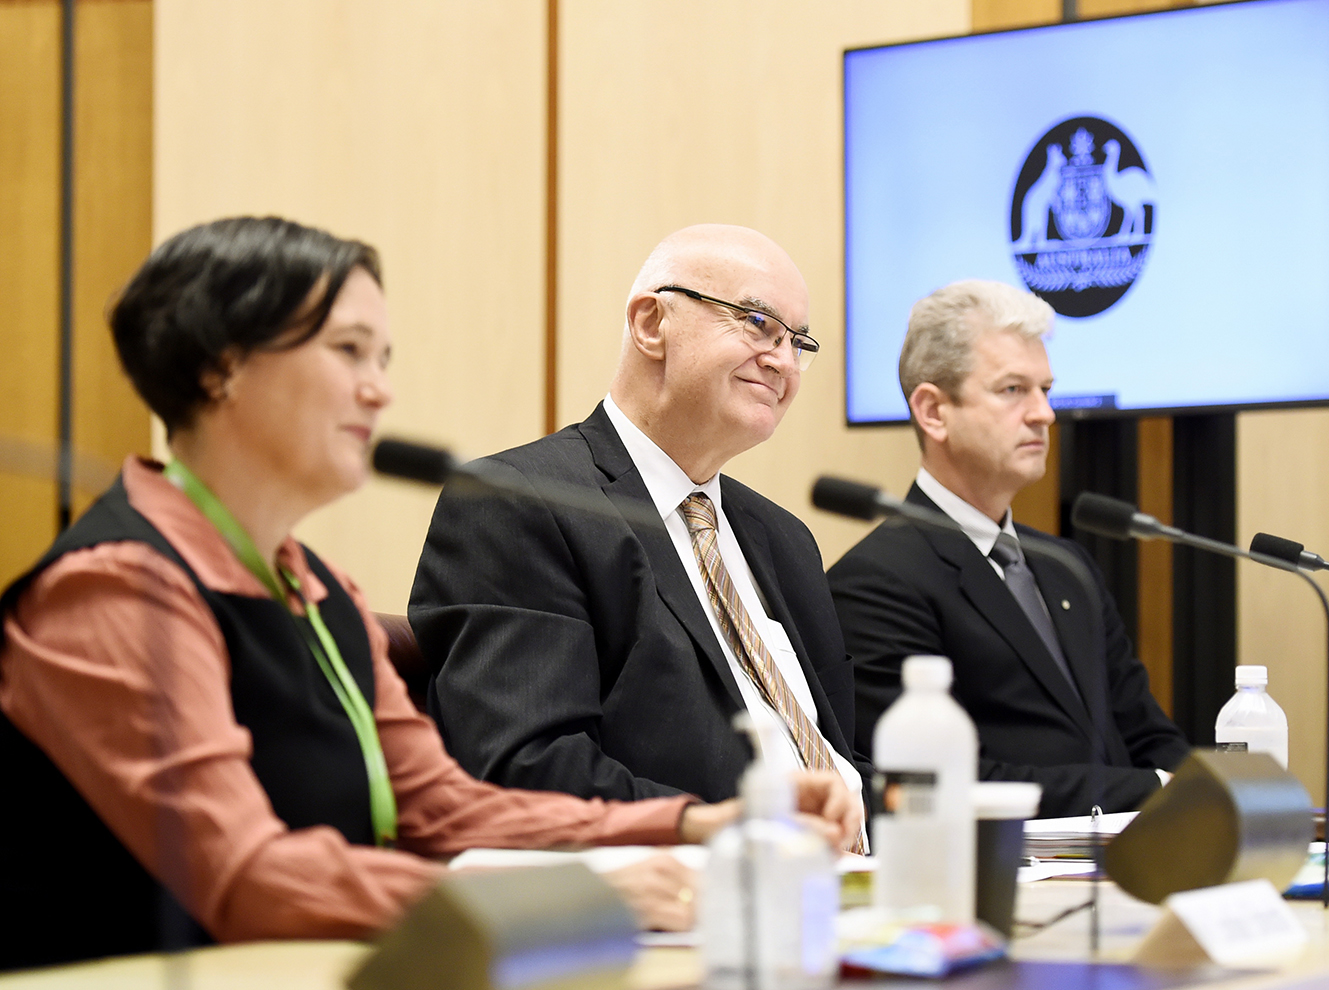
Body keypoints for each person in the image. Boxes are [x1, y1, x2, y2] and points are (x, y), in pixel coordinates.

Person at [0, 218, 858, 971]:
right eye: (346, 353)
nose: (380, 391)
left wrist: (691, 827)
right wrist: (574, 896)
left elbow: (443, 806)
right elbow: (244, 876)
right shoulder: (113, 588)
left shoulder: (314, 586)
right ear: (225, 370)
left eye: (384, 357)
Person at [410, 224, 868, 848]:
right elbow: (527, 770)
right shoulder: (520, 502)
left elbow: (845, 761)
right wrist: (741, 828)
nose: (784, 361)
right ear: (652, 323)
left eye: (799, 341)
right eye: (758, 324)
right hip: (690, 899)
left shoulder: (783, 540)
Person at [826, 279, 1189, 819]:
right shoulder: (875, 581)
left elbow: (1144, 730)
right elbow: (944, 783)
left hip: (1130, 864)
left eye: (1045, 389)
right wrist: (1157, 792)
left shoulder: (1067, 566)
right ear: (933, 412)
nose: (1044, 414)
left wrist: (1200, 794)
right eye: (1013, 390)